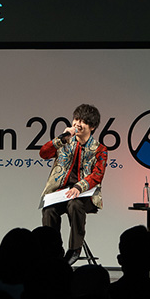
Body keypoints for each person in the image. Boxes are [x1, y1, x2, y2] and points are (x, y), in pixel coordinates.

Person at [38, 103, 107, 265]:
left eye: (83, 121)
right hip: (62, 193)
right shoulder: (64, 142)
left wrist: (79, 187)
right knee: (49, 210)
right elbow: (43, 153)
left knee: (75, 205)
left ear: (92, 127)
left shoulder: (99, 149)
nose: (77, 124)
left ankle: (75, 249)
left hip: (85, 196)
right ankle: (53, 249)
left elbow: (97, 175)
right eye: (76, 119)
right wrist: (61, 138)